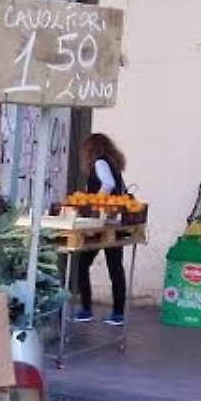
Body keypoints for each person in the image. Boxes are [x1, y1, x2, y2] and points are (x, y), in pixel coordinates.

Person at [75, 133, 127, 326]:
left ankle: (86, 309)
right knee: (115, 268)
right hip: (114, 222)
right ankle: (118, 313)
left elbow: (108, 184)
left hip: (101, 224)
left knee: (82, 265)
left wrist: (95, 203)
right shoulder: (112, 164)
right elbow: (118, 187)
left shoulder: (99, 163)